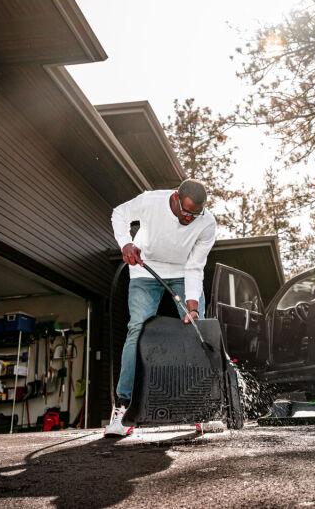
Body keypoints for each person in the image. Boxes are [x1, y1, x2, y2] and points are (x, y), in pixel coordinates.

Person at [104, 179, 216, 437]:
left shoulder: (207, 223)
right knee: (138, 329)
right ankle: (123, 407)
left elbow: (195, 266)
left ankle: (204, 407)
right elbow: (119, 214)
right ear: (176, 198)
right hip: (145, 268)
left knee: (197, 329)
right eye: (185, 212)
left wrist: (192, 306)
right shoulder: (151, 200)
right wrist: (125, 243)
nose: (189, 218)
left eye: (194, 214)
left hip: (183, 271)